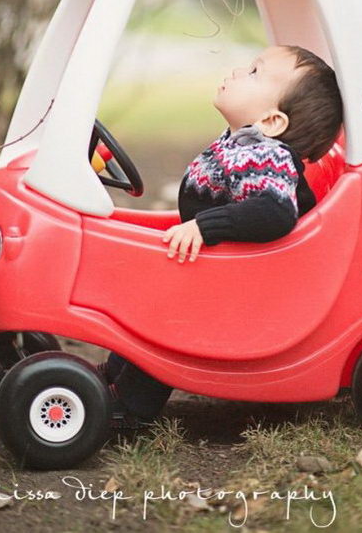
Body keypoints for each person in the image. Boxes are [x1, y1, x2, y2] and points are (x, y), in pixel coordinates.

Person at [97, 44, 343, 428]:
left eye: (255, 72)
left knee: (169, 319)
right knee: (151, 298)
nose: (237, 71)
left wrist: (205, 228)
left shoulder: (267, 154)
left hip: (250, 287)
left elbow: (273, 212)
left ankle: (131, 405)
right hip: (227, 272)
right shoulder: (237, 144)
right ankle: (113, 376)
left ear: (273, 121)